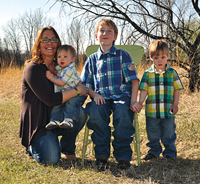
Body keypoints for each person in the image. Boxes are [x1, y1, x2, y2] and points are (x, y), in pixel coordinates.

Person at [19, 26, 88, 165]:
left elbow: (74, 83)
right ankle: (31, 146)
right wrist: (77, 90)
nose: (49, 43)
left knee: (79, 113)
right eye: (45, 39)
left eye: (53, 39)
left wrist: (81, 89)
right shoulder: (33, 68)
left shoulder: (62, 67)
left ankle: (67, 148)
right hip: (39, 124)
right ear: (39, 44)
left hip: (56, 117)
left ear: (58, 43)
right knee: (50, 159)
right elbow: (50, 100)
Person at [81, 19, 140, 169]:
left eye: (109, 31)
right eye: (101, 30)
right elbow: (85, 86)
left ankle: (123, 157)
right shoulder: (92, 60)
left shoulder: (123, 56)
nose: (105, 33)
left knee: (122, 113)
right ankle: (101, 156)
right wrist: (94, 95)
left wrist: (133, 101)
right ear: (96, 36)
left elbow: (134, 81)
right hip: (100, 97)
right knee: (95, 111)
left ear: (115, 36)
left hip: (122, 96)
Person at [138, 39, 184, 161]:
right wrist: (139, 102)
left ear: (168, 56)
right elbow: (144, 90)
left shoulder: (172, 73)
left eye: (163, 57)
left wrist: (175, 104)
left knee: (168, 132)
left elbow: (177, 89)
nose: (159, 60)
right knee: (152, 133)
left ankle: (169, 153)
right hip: (152, 111)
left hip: (168, 111)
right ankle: (154, 151)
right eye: (156, 57)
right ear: (151, 57)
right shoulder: (148, 74)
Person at [45, 44, 87, 130]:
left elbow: (61, 83)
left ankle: (69, 120)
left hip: (78, 95)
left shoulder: (70, 70)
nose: (62, 59)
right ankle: (54, 120)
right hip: (69, 93)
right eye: (59, 56)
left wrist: (51, 78)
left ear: (72, 60)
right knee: (57, 104)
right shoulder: (60, 69)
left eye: (65, 56)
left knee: (70, 102)